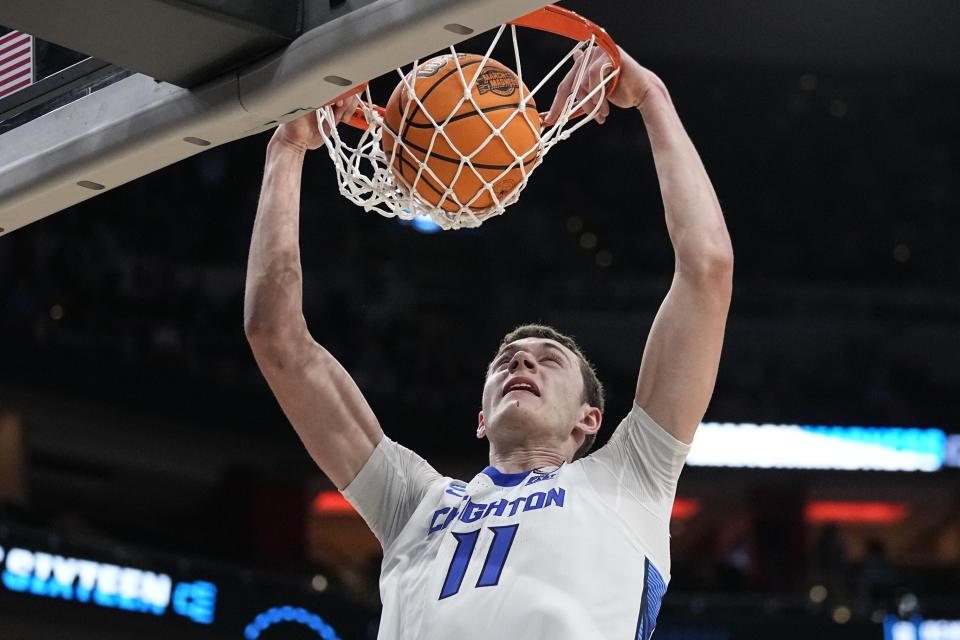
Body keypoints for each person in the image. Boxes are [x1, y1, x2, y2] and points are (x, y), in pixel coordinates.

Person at [244, 44, 733, 640]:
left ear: (589, 419)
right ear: (481, 417)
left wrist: (652, 96)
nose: (522, 359)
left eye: (548, 360)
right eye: (506, 361)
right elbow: (277, 339)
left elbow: (706, 269)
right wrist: (288, 148)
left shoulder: (630, 478)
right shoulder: (414, 503)